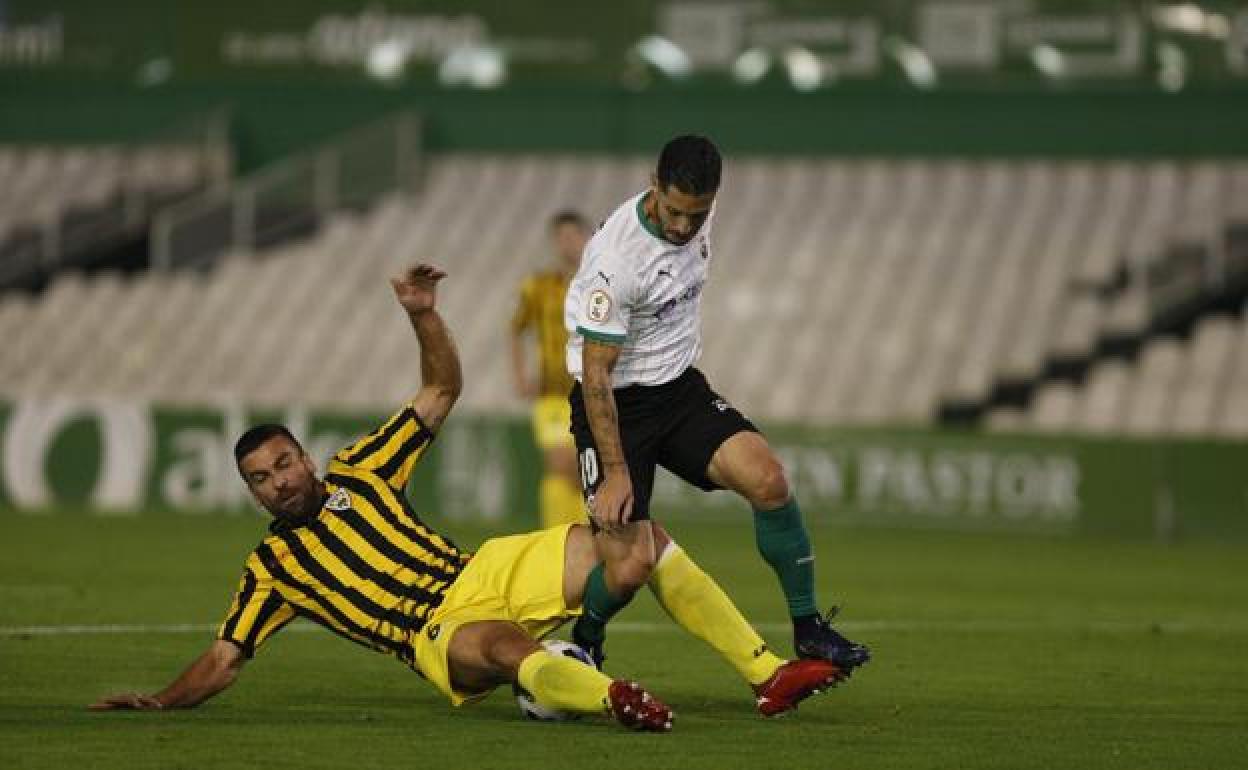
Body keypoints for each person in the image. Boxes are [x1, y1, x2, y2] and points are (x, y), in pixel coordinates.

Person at [88, 265, 842, 730]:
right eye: (262, 477)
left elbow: (442, 388)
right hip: (431, 632)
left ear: (304, 456)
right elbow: (226, 656)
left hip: (480, 569)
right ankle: (616, 697)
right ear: (251, 491)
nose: (280, 480)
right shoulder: (271, 569)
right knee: (508, 651)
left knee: (638, 540)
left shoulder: (360, 469)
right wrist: (161, 700)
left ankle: (765, 671)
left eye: (284, 462)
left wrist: (423, 316)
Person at [564, 135, 872, 673]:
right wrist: (615, 471)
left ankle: (808, 628)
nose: (686, 226)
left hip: (680, 391)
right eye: (676, 212)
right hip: (615, 406)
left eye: (697, 213)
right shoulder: (615, 264)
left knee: (770, 480)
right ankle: (586, 637)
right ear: (653, 186)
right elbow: (595, 376)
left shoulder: (700, 207)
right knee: (631, 566)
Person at [509, 210, 591, 529]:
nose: (567, 243)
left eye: (573, 236)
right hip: (552, 393)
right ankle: (559, 537)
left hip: (591, 394)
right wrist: (519, 375)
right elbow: (515, 328)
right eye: (561, 237)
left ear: (586, 239)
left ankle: (585, 536)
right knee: (561, 461)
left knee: (582, 468)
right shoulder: (538, 286)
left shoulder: (599, 285)